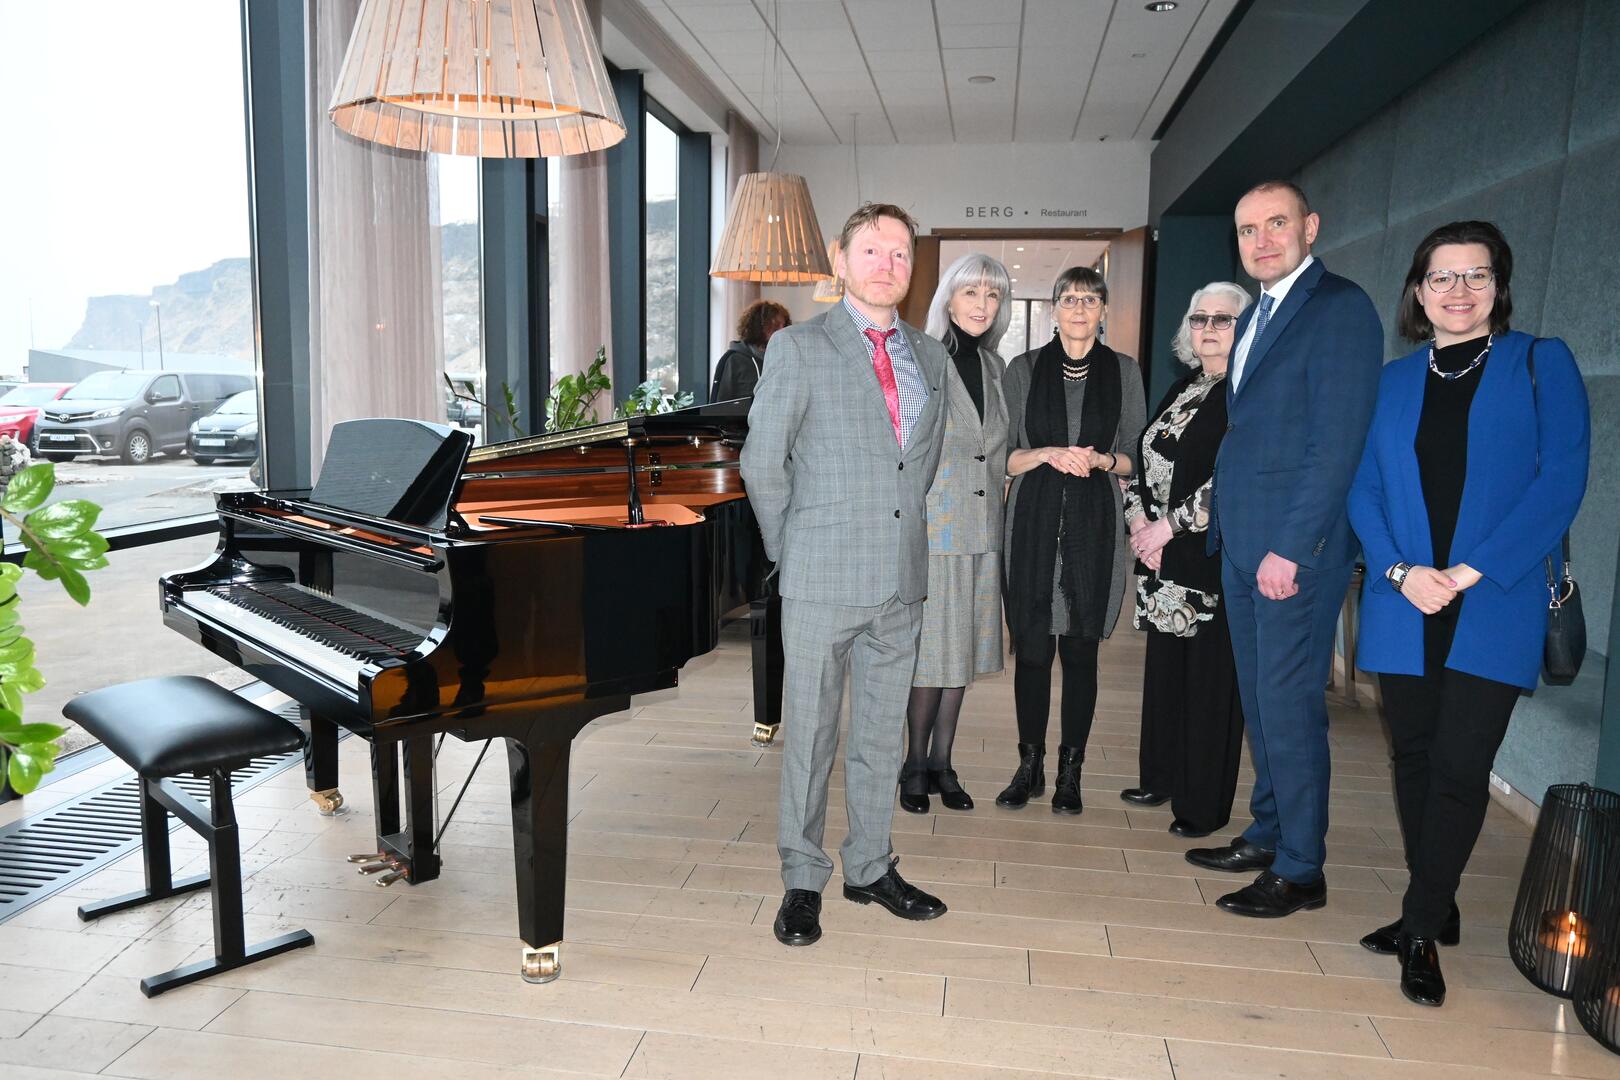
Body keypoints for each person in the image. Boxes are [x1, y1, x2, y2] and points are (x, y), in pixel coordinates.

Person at [1347, 221, 1588, 1007]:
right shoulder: (1392, 381)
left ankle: (1419, 929)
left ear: (1498, 286)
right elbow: (1363, 489)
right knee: (1414, 757)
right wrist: (1400, 571)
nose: (1458, 290)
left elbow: (1561, 483)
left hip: (1496, 600)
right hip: (1405, 599)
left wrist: (1466, 571)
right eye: (1441, 277)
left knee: (1459, 764)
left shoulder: (1541, 363)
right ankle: (1436, 901)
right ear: (1418, 293)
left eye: (1475, 275)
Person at [741, 203, 950, 948]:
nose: (887, 264)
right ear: (840, 258)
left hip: (900, 579)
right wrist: (789, 552)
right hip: (821, 576)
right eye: (872, 250)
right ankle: (803, 878)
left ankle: (869, 865)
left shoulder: (930, 355)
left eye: (900, 253)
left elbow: (917, 465)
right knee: (811, 736)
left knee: (881, 737)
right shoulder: (799, 347)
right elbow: (762, 463)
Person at [1186, 180, 1383, 918]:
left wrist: (1293, 548)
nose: (1262, 240)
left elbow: (1337, 445)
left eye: (1277, 223)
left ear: (1311, 227)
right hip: (1244, 543)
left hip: (1292, 552)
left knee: (1290, 705)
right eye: (1247, 230)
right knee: (1262, 699)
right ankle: (1270, 831)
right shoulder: (1257, 314)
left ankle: (1301, 868)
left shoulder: (1339, 308)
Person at [996, 267, 1146, 814]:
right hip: (1032, 524)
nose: (1079, 307)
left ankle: (1069, 773)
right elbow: (1004, 457)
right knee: (1034, 651)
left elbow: (1135, 457)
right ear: (1054, 308)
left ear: (1103, 310)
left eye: (1090, 299)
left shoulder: (1124, 371)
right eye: (1069, 298)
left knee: (1081, 652)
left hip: (1094, 527)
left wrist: (1102, 459)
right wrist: (1046, 453)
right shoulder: (1022, 368)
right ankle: (1029, 766)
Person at [1122, 281, 1251, 838]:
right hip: (1163, 557)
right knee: (1166, 673)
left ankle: (1202, 804)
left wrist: (1165, 529)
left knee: (1209, 684)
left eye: (1223, 319)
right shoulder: (1184, 387)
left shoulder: (1247, 392)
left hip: (1211, 556)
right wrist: (1139, 526)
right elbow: (1145, 464)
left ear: (1246, 329)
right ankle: (1160, 777)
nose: (1209, 328)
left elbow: (1234, 479)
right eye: (1200, 318)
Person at [899, 253, 1012, 814]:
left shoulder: (994, 366)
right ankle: (913, 765)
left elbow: (996, 453)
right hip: (938, 530)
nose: (982, 305)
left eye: (992, 295)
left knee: (961, 654)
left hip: (983, 532)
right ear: (948, 297)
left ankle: (944, 762)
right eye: (972, 293)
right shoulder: (924, 359)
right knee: (932, 658)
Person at [712, 300, 791, 400]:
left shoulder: (785, 359)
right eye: (775, 327)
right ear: (758, 327)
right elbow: (720, 403)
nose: (781, 332)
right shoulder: (734, 360)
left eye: (784, 327)